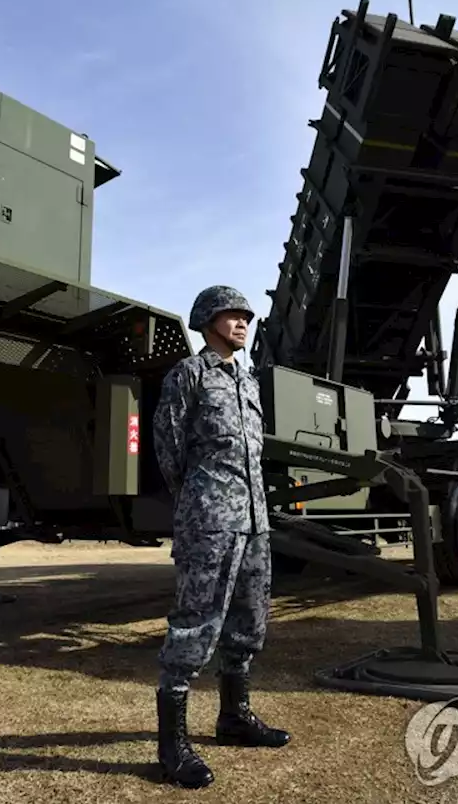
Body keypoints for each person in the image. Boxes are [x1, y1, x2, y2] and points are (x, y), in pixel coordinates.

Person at [150, 284, 290, 788]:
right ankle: (172, 747)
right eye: (232, 315)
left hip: (254, 522)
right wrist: (200, 499)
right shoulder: (189, 375)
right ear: (208, 320)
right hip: (209, 521)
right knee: (194, 624)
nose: (242, 323)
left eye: (246, 317)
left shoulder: (247, 381)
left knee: (248, 621)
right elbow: (167, 445)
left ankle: (234, 718)